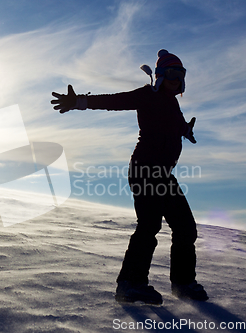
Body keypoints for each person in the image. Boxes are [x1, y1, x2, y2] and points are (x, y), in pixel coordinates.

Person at [51, 49, 208, 304]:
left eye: (180, 74)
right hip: (144, 169)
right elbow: (116, 101)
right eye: (170, 73)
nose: (175, 78)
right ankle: (130, 284)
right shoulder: (148, 95)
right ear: (159, 75)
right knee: (149, 225)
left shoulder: (172, 102)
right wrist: (78, 101)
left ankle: (183, 283)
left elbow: (176, 122)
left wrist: (185, 130)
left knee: (185, 228)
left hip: (163, 175)